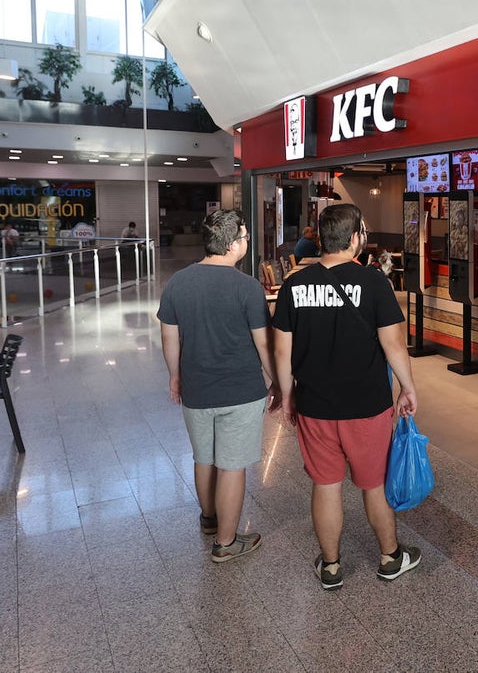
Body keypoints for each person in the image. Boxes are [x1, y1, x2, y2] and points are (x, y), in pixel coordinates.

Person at [272, 203, 422, 590]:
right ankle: (390, 557)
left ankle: (331, 566)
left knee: (326, 485)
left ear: (323, 238)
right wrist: (407, 387)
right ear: (355, 238)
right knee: (373, 484)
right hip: (367, 405)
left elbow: (282, 350)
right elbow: (394, 345)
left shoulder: (295, 284)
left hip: (315, 405)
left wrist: (287, 395)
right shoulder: (374, 282)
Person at [157, 209, 279, 563]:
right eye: (245, 237)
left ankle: (209, 519)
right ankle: (226, 543)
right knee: (232, 465)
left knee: (204, 458)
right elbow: (263, 343)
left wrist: (175, 376)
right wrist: (277, 381)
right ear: (231, 245)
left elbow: (169, 338)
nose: (246, 242)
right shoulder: (247, 287)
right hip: (241, 392)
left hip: (196, 389)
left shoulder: (178, 282)